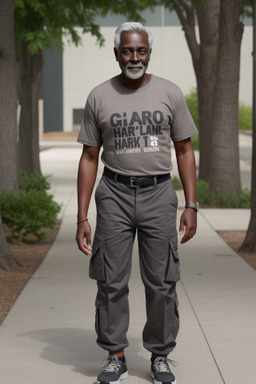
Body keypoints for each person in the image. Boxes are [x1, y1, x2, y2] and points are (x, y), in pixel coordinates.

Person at [76, 21, 198, 384]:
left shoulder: (170, 93)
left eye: (141, 50)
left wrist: (191, 205)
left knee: (161, 281)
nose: (134, 57)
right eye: (127, 50)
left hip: (159, 194)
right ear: (117, 54)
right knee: (110, 280)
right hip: (113, 193)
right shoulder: (99, 96)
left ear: (149, 53)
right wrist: (82, 216)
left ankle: (160, 355)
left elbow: (185, 150)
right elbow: (88, 157)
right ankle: (115, 354)